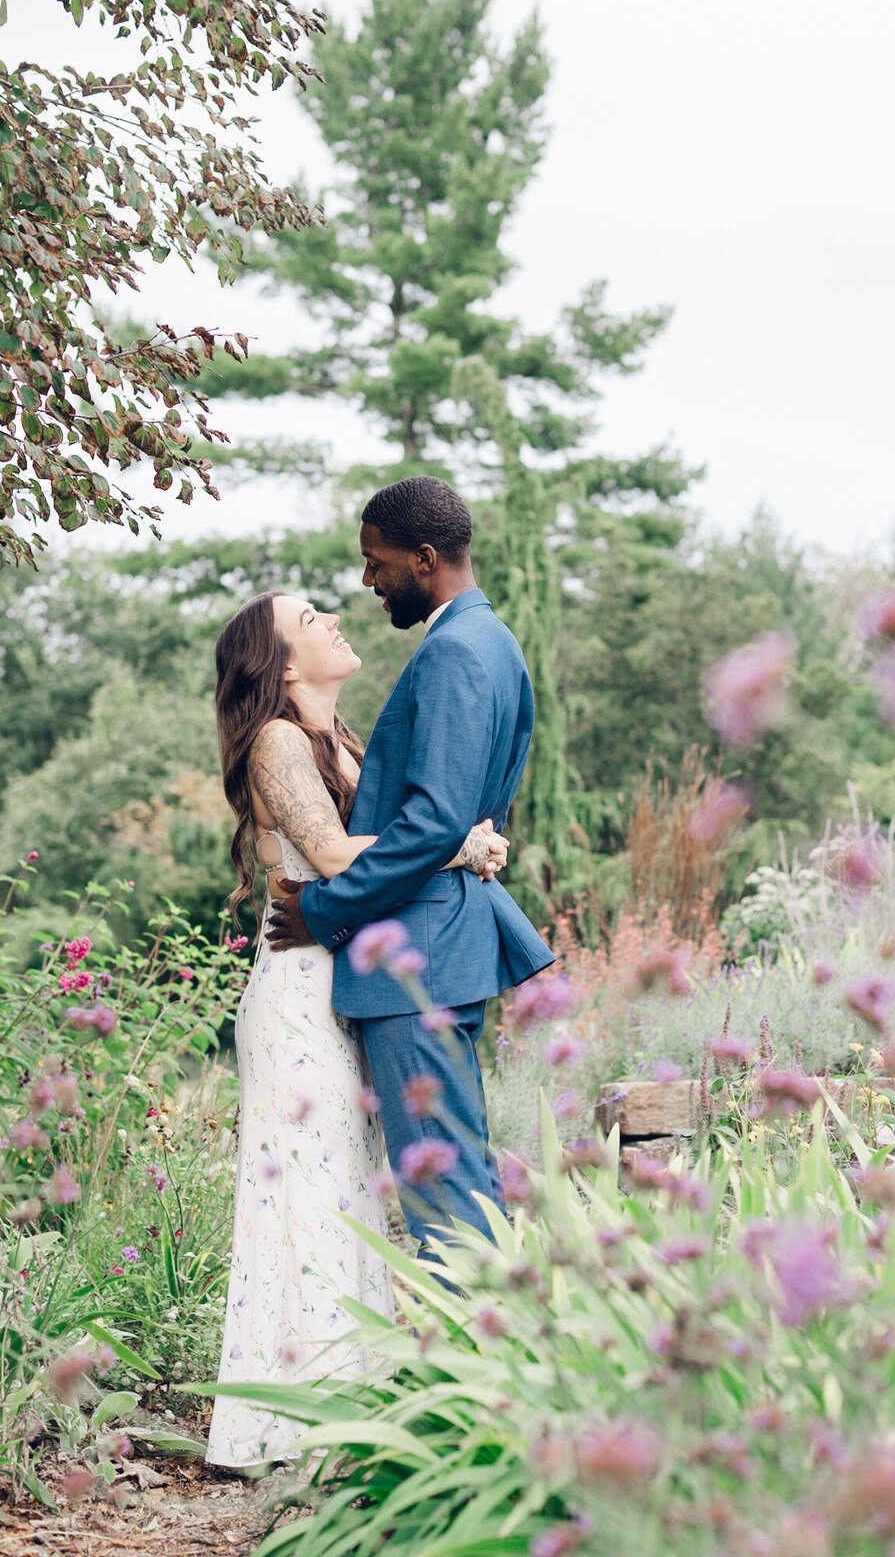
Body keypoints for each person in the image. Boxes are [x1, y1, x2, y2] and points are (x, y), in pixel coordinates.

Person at [205, 589, 507, 1470]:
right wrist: (460, 846)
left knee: (354, 1197)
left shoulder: (346, 743)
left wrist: (457, 842)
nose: (334, 619)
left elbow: (384, 850)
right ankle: (298, 1424)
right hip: (297, 1000)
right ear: (283, 664)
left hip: (350, 991)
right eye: (311, 620)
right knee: (311, 1197)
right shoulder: (278, 741)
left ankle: (352, 1407)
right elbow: (337, 859)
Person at [265, 475, 556, 1259]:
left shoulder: (457, 653)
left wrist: (325, 911)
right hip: (442, 944)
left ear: (424, 558)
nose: (367, 580)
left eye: (375, 561)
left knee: (444, 1196)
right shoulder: (489, 642)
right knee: (462, 1178)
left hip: (415, 955)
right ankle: (503, 1366)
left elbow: (431, 823)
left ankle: (477, 1372)